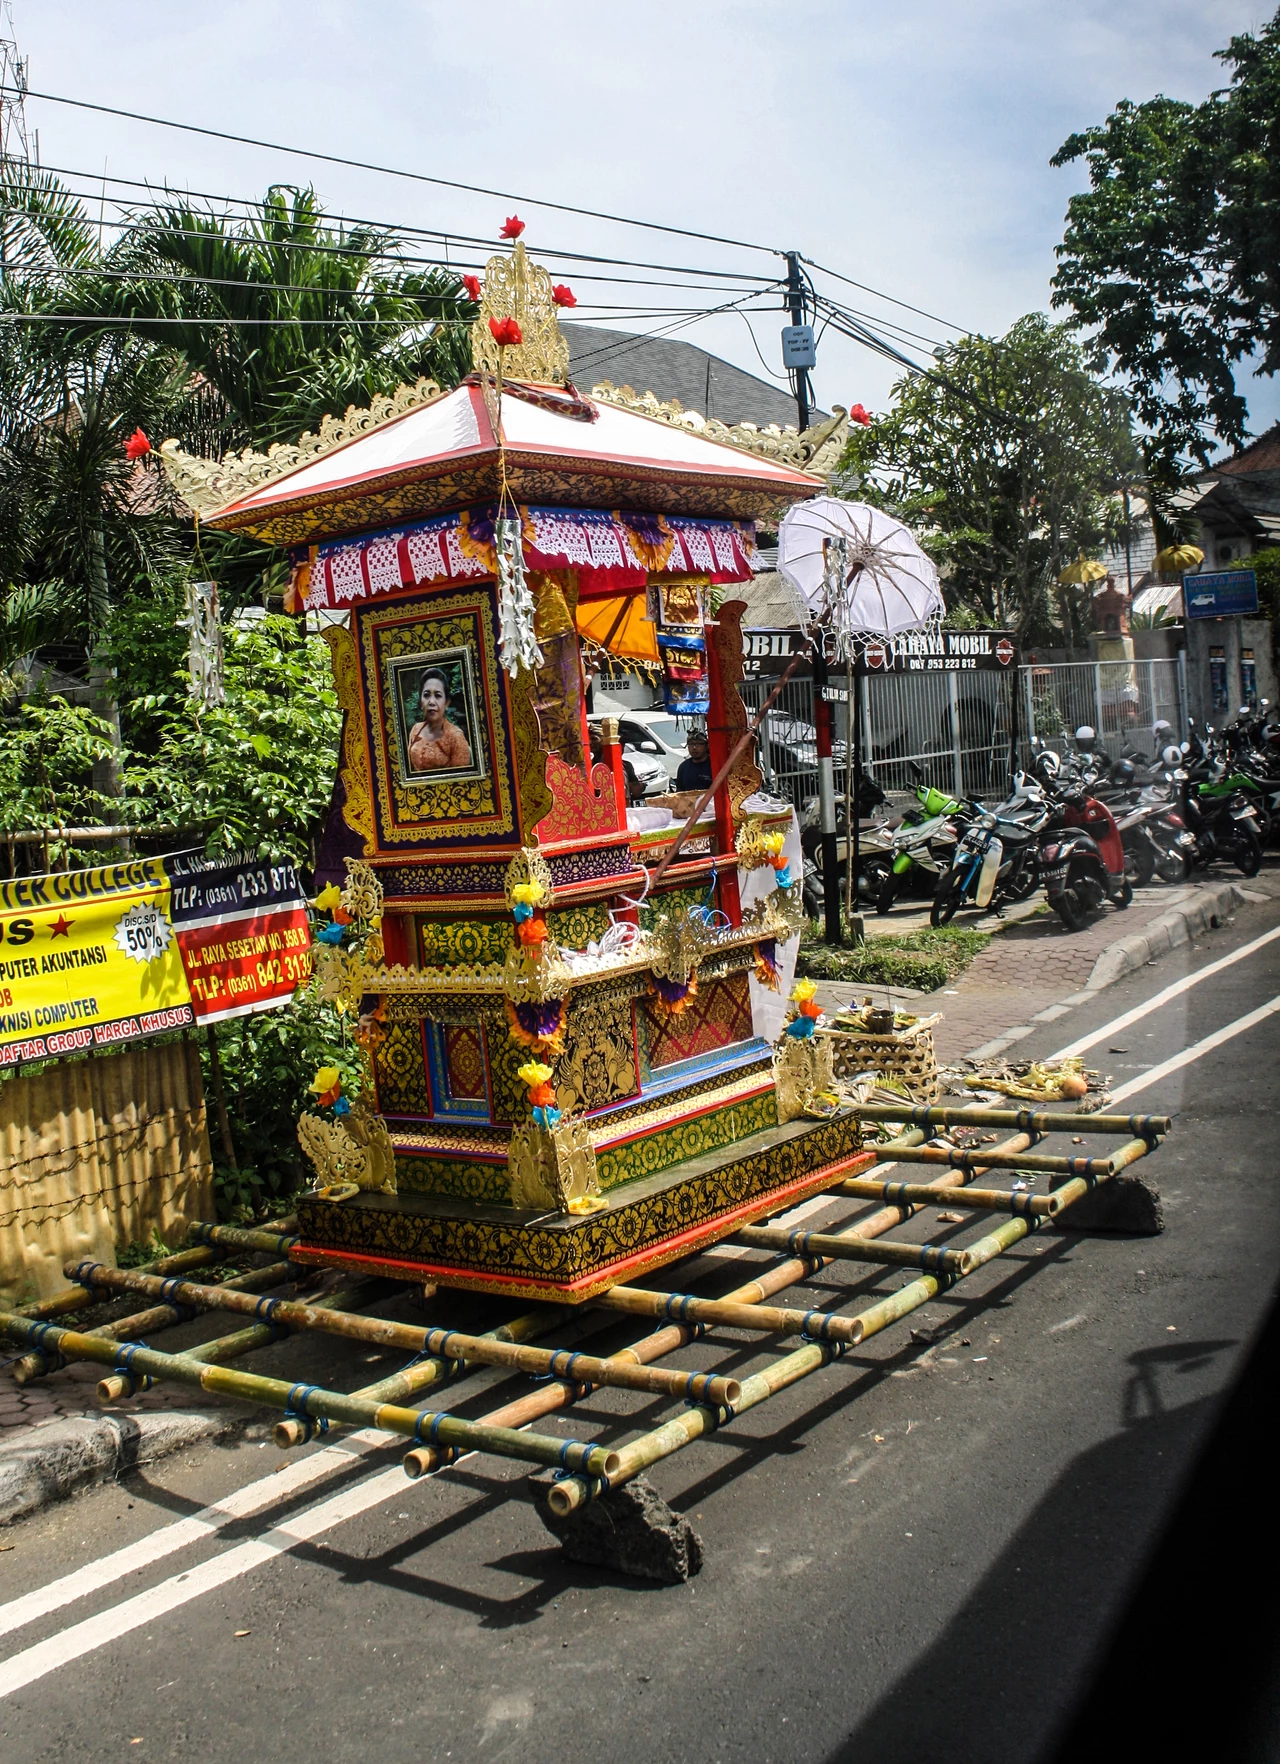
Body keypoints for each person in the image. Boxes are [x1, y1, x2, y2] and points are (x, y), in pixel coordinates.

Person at [408, 668, 471, 771]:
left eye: (438, 695)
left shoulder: (456, 737)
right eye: (426, 695)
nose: (431, 702)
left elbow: (462, 781)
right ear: (420, 702)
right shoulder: (416, 730)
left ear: (446, 703)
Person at [675, 727, 712, 792]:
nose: (694, 747)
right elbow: (679, 792)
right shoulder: (683, 767)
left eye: (698, 744)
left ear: (707, 746)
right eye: (691, 744)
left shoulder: (713, 765)